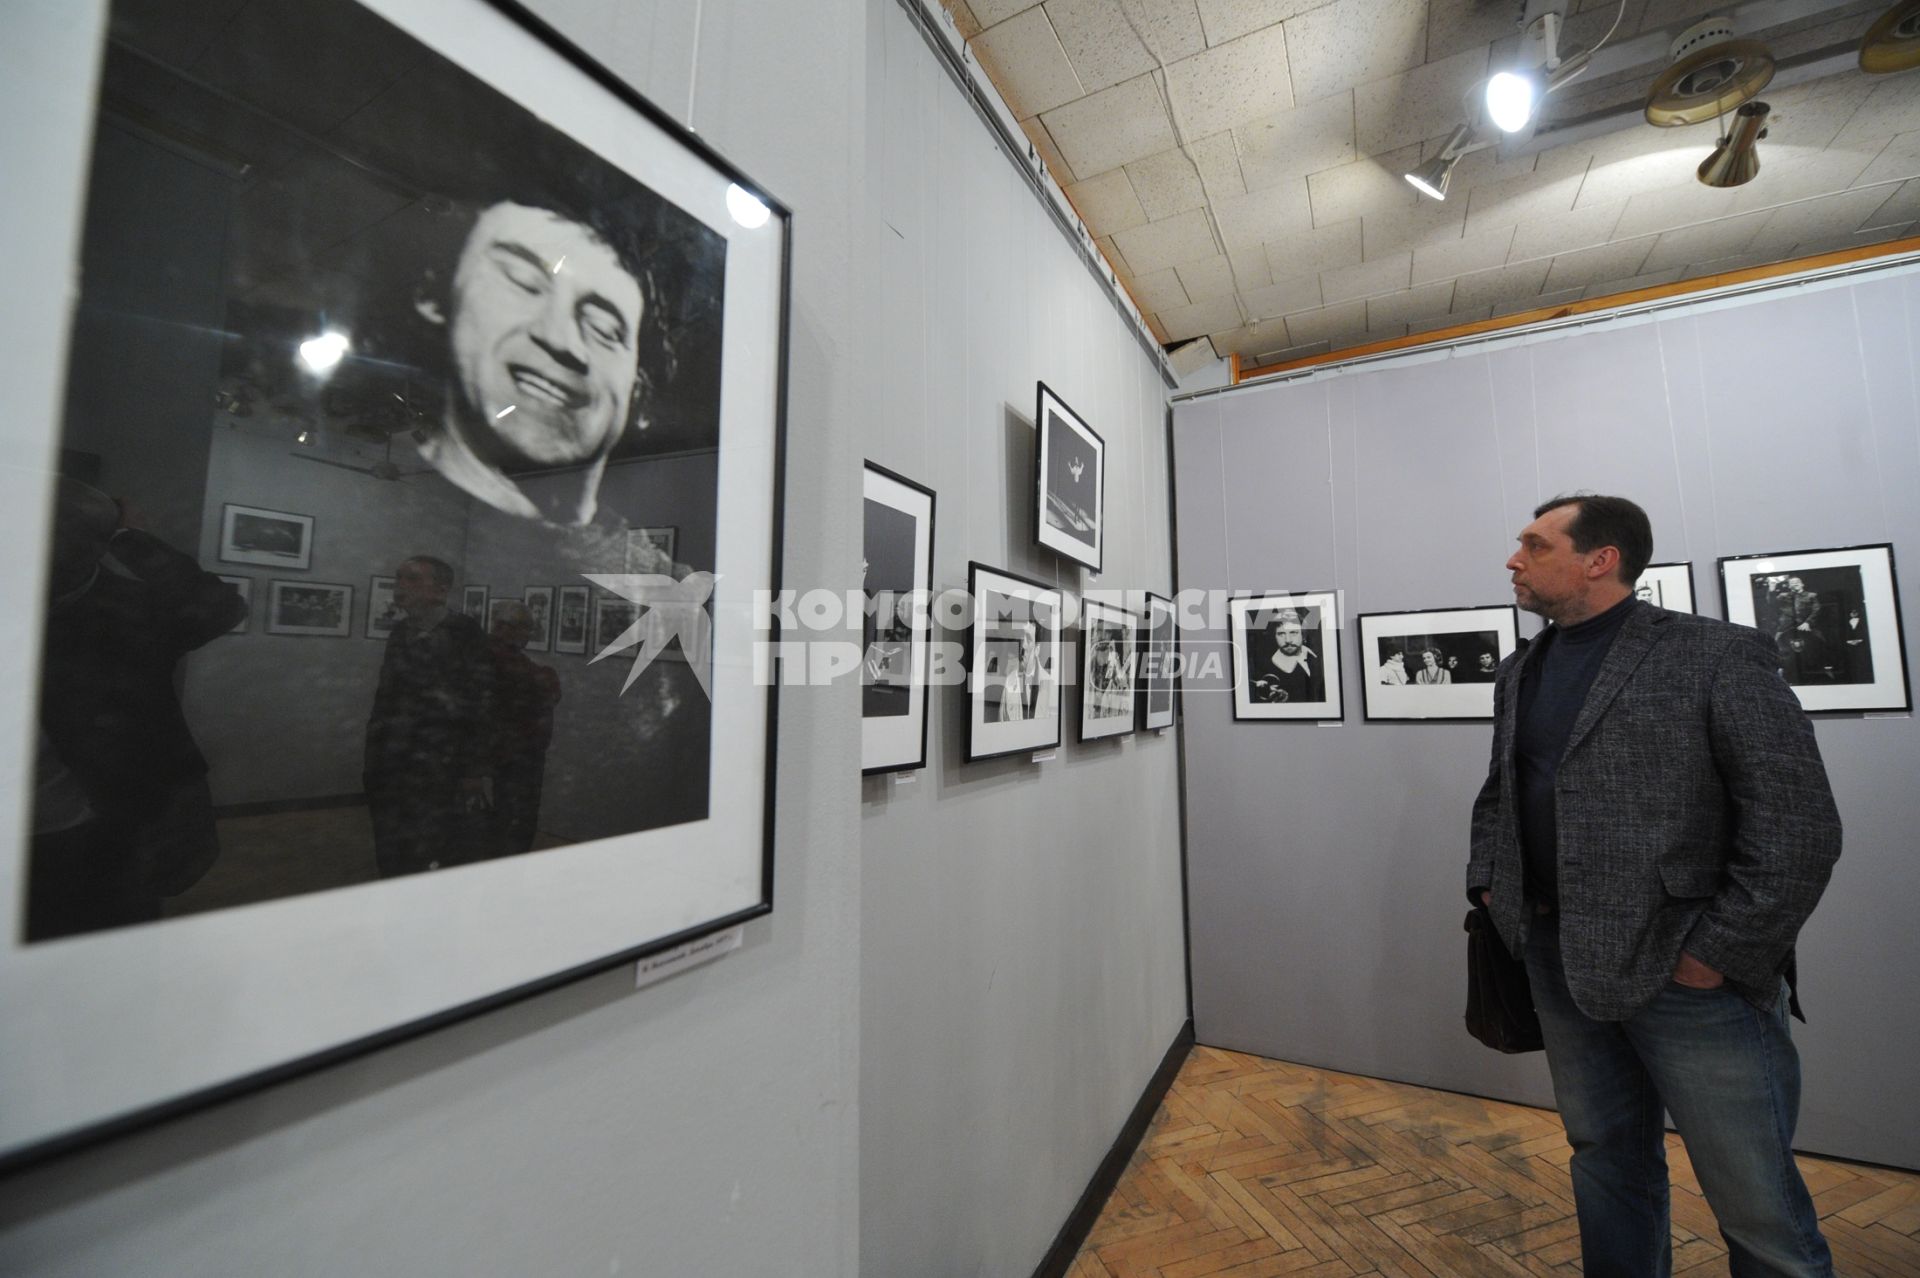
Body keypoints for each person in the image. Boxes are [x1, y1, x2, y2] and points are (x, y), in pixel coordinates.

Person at [1468, 493, 1841, 1276]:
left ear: (1600, 559)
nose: (1514, 560)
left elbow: (1798, 825)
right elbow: (1503, 792)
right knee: (1606, 1159)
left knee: (1755, 1199)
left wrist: (1717, 954)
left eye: (1534, 545)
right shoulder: (1520, 669)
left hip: (1690, 978)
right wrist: (1491, 888)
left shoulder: (1714, 654)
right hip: (1557, 959)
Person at [29, 479, 246, 939]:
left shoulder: (126, 613)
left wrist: (128, 538)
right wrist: (127, 533)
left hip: (102, 827)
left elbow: (223, 607)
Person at [411, 199, 659, 526]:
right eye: (523, 281)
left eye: (604, 329)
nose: (561, 340)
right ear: (437, 296)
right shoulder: (387, 502)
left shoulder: (659, 576)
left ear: (641, 398)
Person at [363, 555, 495, 876]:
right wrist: (375, 757)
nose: (399, 588)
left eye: (411, 579)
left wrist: (472, 771)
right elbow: (387, 699)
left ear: (440, 590)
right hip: (394, 764)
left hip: (440, 766)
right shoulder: (401, 632)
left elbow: (479, 704)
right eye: (398, 579)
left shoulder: (464, 633)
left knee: (436, 852)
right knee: (393, 852)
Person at [485, 601, 561, 856]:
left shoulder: (483, 654)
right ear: (505, 628)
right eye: (526, 629)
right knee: (514, 826)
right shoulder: (507, 662)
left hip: (502, 751)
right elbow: (547, 689)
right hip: (515, 754)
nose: (528, 636)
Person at [1251, 609, 1323, 703]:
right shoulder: (1264, 669)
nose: (1288, 640)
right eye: (1281, 634)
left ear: (1303, 635)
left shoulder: (1315, 658)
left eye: (1293, 633)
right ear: (1274, 636)